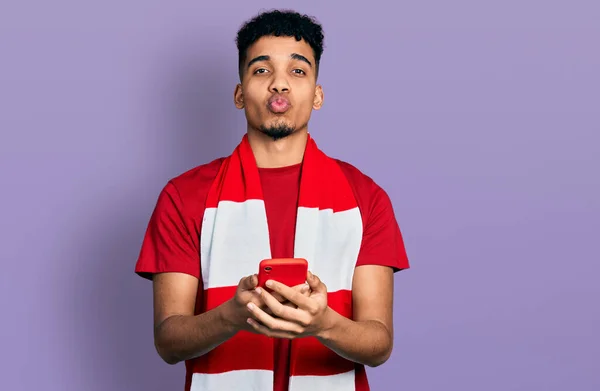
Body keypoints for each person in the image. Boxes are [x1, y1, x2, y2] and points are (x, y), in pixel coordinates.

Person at [135, 9, 410, 391]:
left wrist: (324, 323)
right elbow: (168, 340)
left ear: (317, 95)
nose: (279, 84)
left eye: (298, 71)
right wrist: (232, 315)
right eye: (261, 70)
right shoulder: (183, 196)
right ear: (238, 92)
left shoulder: (366, 197)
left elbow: (379, 343)